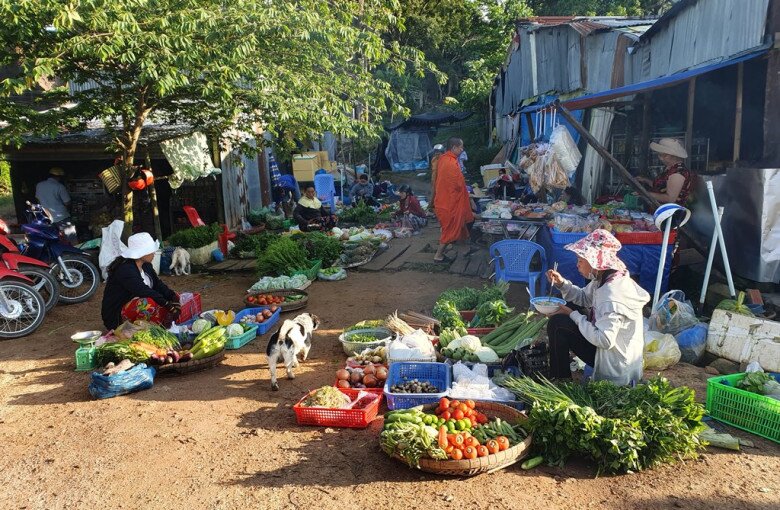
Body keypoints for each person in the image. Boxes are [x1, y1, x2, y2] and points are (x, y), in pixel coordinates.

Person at [545, 229, 649, 386]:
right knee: (571, 305)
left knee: (558, 324)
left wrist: (573, 315)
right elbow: (584, 298)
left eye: (581, 259)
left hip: (614, 363)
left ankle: (561, 381)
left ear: (595, 261)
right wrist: (562, 284)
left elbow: (604, 340)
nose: (577, 264)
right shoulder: (606, 278)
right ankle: (561, 375)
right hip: (611, 352)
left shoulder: (612, 294)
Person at [101, 233, 180, 331]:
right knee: (148, 303)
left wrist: (173, 296)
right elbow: (143, 290)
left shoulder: (146, 265)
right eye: (151, 251)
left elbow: (157, 284)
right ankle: (136, 329)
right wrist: (167, 305)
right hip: (117, 315)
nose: (154, 253)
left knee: (171, 296)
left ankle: (157, 324)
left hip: (135, 303)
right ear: (142, 253)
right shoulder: (125, 269)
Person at [432, 137, 474, 263]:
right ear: (454, 148)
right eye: (461, 147)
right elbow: (457, 185)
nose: (462, 149)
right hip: (448, 203)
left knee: (460, 225)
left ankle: (465, 248)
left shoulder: (445, 159)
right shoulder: (450, 163)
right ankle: (438, 255)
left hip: (445, 200)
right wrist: (468, 195)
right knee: (449, 231)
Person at [636, 138, 696, 206]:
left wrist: (646, 193)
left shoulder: (678, 173)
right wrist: (645, 180)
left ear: (674, 156)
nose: (661, 158)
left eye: (664, 155)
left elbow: (670, 199)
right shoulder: (669, 168)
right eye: (659, 155)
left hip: (670, 213)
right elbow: (661, 186)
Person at [428, 144, 445, 209]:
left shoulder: (444, 160)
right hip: (434, 180)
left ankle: (440, 207)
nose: (437, 153)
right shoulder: (434, 159)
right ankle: (433, 207)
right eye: (436, 152)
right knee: (434, 194)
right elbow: (433, 170)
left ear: (442, 152)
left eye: (438, 152)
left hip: (441, 181)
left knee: (441, 195)